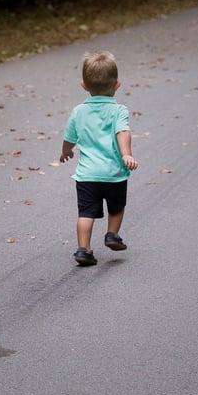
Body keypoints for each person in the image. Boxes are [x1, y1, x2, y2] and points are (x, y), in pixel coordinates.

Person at [60, 51, 139, 266]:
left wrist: (66, 152)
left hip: (87, 175)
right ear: (117, 84)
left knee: (86, 212)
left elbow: (69, 137)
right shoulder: (119, 110)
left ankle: (83, 249)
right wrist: (126, 154)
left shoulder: (78, 111)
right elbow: (122, 132)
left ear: (84, 85)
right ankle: (112, 234)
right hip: (113, 174)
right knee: (117, 207)